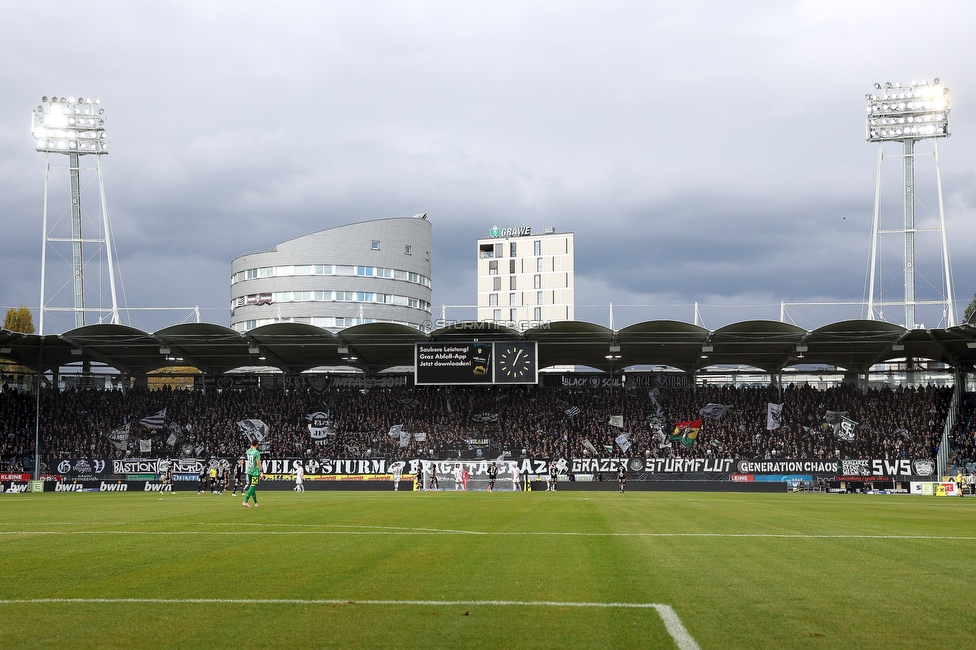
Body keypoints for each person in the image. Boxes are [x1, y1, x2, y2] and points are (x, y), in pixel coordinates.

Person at [242, 440, 263, 507]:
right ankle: (245, 501)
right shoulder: (257, 453)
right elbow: (258, 462)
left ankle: (256, 502)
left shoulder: (248, 451)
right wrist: (261, 471)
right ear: (257, 445)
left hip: (249, 471)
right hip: (255, 472)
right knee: (253, 486)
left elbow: (250, 449)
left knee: (252, 486)